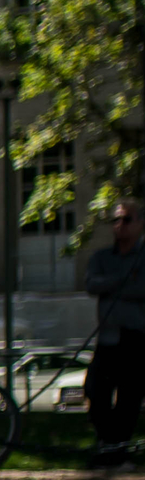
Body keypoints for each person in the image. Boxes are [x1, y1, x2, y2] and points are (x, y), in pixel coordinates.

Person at [84, 197, 145, 465]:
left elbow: (141, 289)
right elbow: (91, 284)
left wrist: (112, 287)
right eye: (116, 220)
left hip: (135, 338)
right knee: (95, 392)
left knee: (129, 398)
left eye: (127, 219)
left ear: (140, 224)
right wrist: (121, 280)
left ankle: (118, 451)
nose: (120, 225)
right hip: (107, 338)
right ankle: (108, 446)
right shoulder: (101, 257)